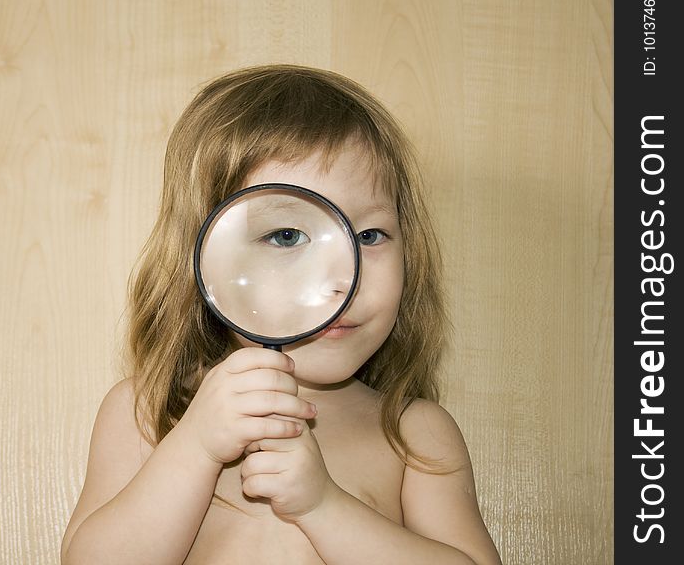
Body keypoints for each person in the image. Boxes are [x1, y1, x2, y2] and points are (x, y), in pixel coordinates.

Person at [60, 64, 502, 564]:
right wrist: (197, 447)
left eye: (368, 236)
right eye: (287, 236)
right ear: (206, 259)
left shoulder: (414, 433)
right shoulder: (149, 411)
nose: (340, 279)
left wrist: (324, 506)